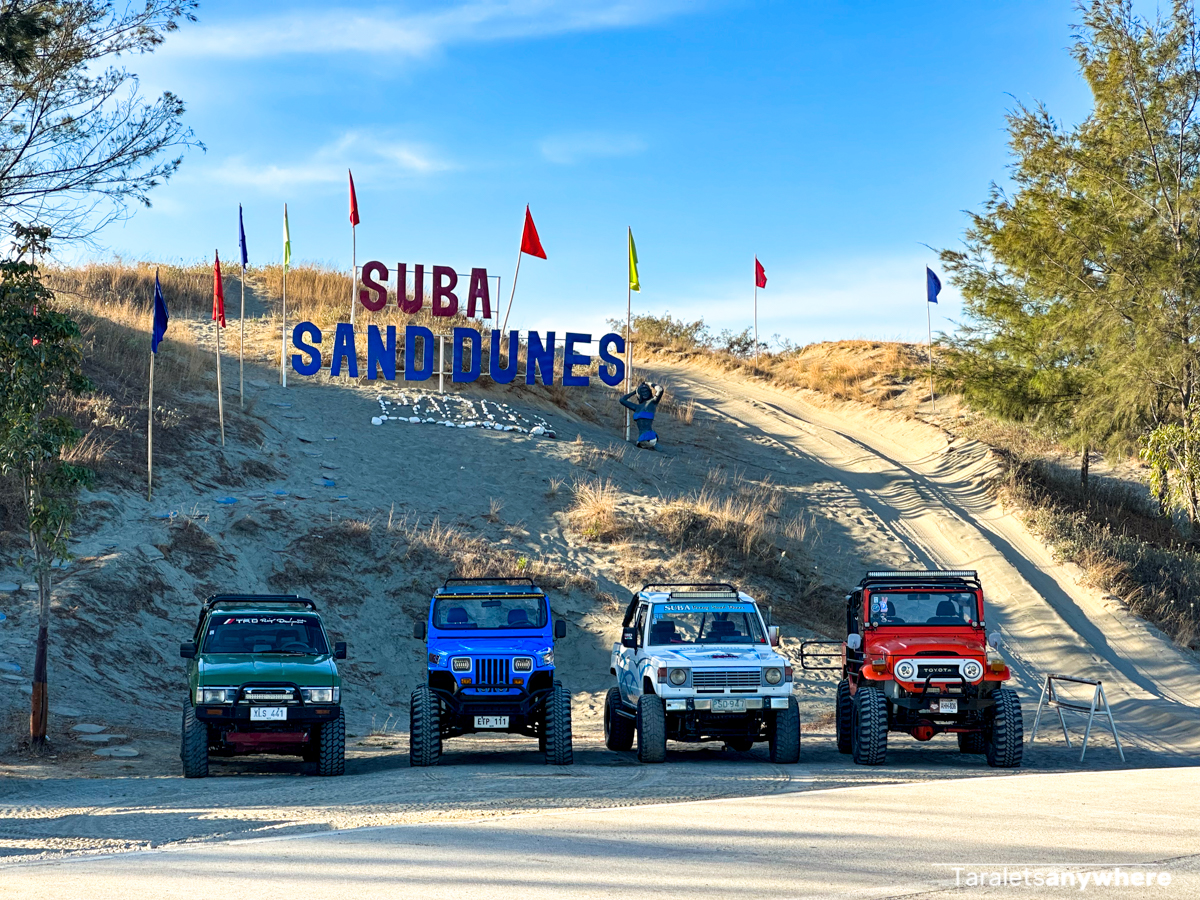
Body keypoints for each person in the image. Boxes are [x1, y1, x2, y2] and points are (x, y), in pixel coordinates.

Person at [619, 381, 665, 449]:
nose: (645, 393)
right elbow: (622, 400)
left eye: (646, 391)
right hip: (641, 438)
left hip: (649, 436)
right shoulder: (637, 407)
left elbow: (660, 389)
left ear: (650, 392)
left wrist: (648, 383)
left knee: (646, 445)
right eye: (642, 392)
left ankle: (655, 445)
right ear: (639, 394)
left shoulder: (652, 402)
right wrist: (635, 391)